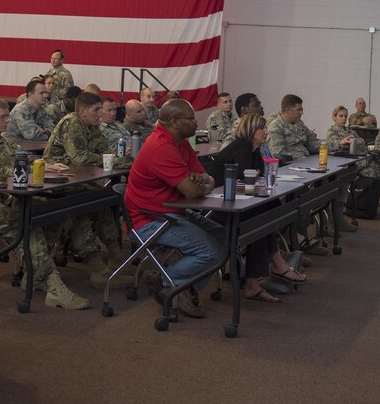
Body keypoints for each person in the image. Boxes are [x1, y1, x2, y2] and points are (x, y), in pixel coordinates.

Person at [0, 98, 85, 305]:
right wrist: (31, 169)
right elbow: (0, 173)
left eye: (8, 115)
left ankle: (35, 275)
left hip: (15, 196)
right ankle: (53, 285)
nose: (8, 120)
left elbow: (22, 161)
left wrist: (46, 165)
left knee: (53, 211)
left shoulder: (6, 142)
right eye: (3, 117)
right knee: (31, 224)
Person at [125, 99, 226, 318]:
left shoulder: (180, 142)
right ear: (173, 121)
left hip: (173, 212)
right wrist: (200, 185)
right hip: (150, 220)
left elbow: (208, 178)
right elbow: (191, 191)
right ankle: (165, 280)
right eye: (190, 118)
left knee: (224, 238)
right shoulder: (162, 146)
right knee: (210, 251)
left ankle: (182, 290)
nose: (195, 121)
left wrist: (202, 184)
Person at [207, 114, 306, 302]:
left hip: (234, 203)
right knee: (260, 219)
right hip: (218, 208)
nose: (266, 132)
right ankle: (274, 266)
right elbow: (244, 179)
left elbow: (257, 176)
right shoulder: (242, 148)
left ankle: (266, 272)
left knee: (266, 214)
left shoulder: (254, 150)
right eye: (262, 129)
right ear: (252, 131)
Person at [42, 92, 132, 291]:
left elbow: (105, 150)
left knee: (104, 200)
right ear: (82, 112)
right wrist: (113, 159)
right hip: (57, 181)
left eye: (101, 109)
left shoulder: (92, 126)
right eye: (96, 110)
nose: (101, 114)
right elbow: (80, 158)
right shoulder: (72, 123)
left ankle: (116, 258)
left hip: (79, 177)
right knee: (83, 205)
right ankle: (96, 268)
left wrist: (119, 158)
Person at [325, 105, 380, 230]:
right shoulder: (332, 132)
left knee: (376, 171)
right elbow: (336, 146)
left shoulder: (350, 131)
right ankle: (341, 216)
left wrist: (351, 143)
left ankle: (366, 204)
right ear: (334, 117)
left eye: (345, 116)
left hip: (355, 161)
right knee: (372, 161)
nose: (343, 119)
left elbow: (362, 143)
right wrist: (345, 143)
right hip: (342, 165)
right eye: (340, 116)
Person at [266, 94, 322, 160]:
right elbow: (279, 154)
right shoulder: (275, 127)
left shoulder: (299, 125)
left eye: (302, 110)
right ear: (287, 110)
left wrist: (336, 145)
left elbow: (313, 143)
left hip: (306, 160)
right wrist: (301, 159)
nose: (301, 113)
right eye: (298, 110)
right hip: (291, 165)